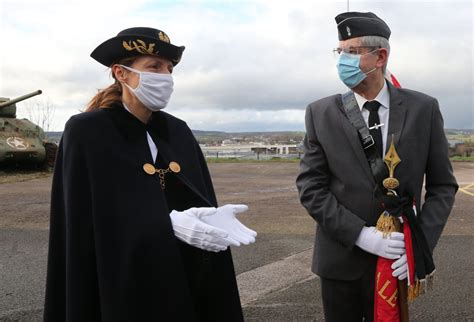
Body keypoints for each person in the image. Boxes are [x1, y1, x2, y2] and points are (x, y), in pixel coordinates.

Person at [44, 27, 256, 322]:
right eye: (154, 67)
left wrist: (207, 216)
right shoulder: (87, 132)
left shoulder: (178, 131)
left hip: (179, 274)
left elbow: (189, 195)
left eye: (169, 69)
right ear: (121, 73)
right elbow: (86, 220)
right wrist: (164, 224)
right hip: (120, 281)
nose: (165, 77)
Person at [296, 12, 457, 321]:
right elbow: (310, 187)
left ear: (380, 56)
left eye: (352, 51)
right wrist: (361, 235)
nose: (342, 59)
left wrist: (417, 247)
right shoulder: (320, 113)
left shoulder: (423, 108)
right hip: (340, 261)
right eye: (339, 50)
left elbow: (442, 186)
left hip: (398, 256)